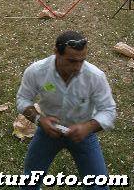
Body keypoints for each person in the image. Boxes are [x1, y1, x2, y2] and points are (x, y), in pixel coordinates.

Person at [17, 30, 116, 190]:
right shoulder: (36, 71)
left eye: (82, 61)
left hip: (83, 135)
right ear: (56, 52)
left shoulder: (94, 76)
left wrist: (88, 127)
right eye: (71, 61)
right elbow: (23, 99)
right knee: (29, 183)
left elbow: (109, 110)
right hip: (48, 132)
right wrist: (39, 120)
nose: (77, 67)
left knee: (99, 187)